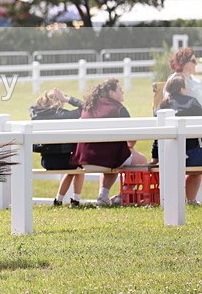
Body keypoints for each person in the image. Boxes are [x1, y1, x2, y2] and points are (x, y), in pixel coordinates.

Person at [70, 78, 148, 206]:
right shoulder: (119, 109)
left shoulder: (88, 106)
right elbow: (132, 138)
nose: (123, 92)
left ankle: (103, 196)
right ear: (111, 93)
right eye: (120, 90)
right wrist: (129, 148)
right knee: (142, 161)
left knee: (114, 157)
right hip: (108, 158)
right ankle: (123, 195)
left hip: (85, 159)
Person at [29, 88, 84, 206]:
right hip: (63, 160)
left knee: (72, 170)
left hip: (46, 161)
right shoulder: (61, 114)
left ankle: (58, 200)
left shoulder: (36, 114)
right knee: (79, 169)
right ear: (59, 101)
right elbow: (84, 108)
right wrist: (68, 99)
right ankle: (75, 200)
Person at [156, 75, 202, 205]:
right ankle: (191, 200)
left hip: (167, 155)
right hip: (192, 153)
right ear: (182, 89)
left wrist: (155, 157)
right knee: (196, 172)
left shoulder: (161, 106)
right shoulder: (192, 102)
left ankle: (173, 201)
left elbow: (156, 137)